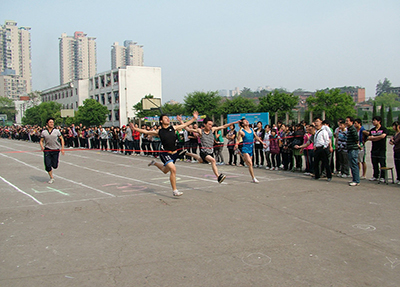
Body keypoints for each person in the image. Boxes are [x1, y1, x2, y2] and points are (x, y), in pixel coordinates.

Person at [129, 111, 199, 196]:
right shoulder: (159, 131)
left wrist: (194, 118)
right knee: (173, 169)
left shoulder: (173, 128)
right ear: (161, 121)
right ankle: (175, 191)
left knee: (165, 170)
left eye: (168, 118)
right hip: (165, 153)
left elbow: (184, 125)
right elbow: (146, 132)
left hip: (174, 153)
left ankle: (154, 163)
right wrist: (135, 129)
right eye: (165, 118)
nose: (167, 119)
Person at [184, 117, 238, 184]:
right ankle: (218, 177)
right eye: (209, 124)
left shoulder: (212, 129)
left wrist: (233, 123)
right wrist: (181, 122)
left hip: (210, 151)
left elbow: (223, 126)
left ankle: (187, 153)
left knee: (200, 160)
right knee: (213, 160)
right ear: (204, 124)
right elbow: (188, 129)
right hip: (204, 151)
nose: (210, 126)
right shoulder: (200, 131)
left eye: (211, 124)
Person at [234, 119, 266, 183]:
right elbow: (238, 140)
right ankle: (253, 178)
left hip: (251, 148)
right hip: (245, 148)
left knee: (247, 163)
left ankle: (239, 153)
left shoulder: (252, 130)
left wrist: (262, 143)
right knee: (250, 163)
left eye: (247, 121)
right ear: (243, 124)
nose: (247, 121)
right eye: (245, 121)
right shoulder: (241, 132)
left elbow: (256, 137)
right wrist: (236, 145)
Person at [39, 118, 65, 184]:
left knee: (55, 165)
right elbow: (41, 141)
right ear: (47, 123)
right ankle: (51, 177)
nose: (52, 123)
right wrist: (42, 147)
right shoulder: (44, 132)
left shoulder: (56, 131)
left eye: (52, 122)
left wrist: (62, 148)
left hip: (55, 149)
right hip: (47, 150)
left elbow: (61, 139)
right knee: (47, 165)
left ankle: (53, 167)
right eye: (50, 122)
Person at [367, 116, 387, 182]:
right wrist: (378, 137)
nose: (373, 122)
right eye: (373, 120)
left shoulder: (383, 129)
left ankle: (383, 177)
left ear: (379, 121)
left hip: (381, 149)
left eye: (375, 120)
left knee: (382, 163)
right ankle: (375, 175)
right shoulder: (372, 130)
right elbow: (369, 138)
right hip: (374, 149)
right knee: (374, 163)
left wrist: (374, 138)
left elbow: (383, 136)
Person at [312, 117, 332, 181]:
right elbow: (315, 140)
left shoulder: (324, 131)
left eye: (317, 124)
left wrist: (324, 147)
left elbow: (327, 140)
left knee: (325, 163)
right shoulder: (316, 132)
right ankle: (317, 175)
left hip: (322, 148)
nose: (316, 125)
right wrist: (315, 146)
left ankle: (329, 176)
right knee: (316, 163)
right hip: (317, 148)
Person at [346, 116, 360, 186]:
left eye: (347, 121)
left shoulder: (352, 129)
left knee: (354, 164)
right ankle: (354, 178)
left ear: (351, 122)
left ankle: (356, 180)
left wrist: (355, 144)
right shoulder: (349, 129)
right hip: (349, 148)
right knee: (351, 164)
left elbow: (356, 138)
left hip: (353, 149)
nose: (346, 122)